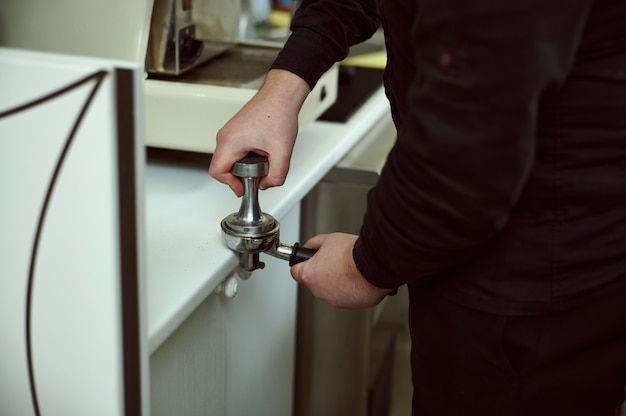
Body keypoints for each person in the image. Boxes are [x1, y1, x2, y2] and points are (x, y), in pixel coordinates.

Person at [209, 0, 626, 414]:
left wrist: (367, 267)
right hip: (482, 241)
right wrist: (283, 88)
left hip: (538, 277)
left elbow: (470, 132)